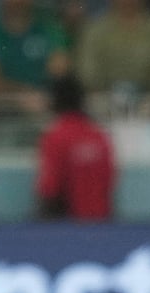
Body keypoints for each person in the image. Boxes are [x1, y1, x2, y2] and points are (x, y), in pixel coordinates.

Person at [36, 74, 116, 221]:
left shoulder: (56, 137)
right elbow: (109, 183)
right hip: (102, 222)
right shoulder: (99, 136)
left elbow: (50, 189)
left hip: (70, 225)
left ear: (55, 101)